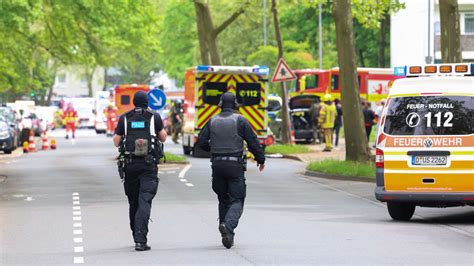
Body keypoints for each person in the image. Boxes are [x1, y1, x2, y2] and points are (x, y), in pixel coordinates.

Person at [196, 92, 265, 249]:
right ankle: (228, 225)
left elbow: (201, 142)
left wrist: (212, 149)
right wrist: (260, 159)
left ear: (220, 104)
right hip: (235, 166)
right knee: (237, 199)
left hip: (217, 165)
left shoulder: (212, 120)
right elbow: (253, 142)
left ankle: (227, 233)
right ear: (235, 105)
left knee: (223, 199)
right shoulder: (240, 120)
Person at [113, 91, 167, 251]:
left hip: (130, 165)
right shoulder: (154, 116)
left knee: (134, 201)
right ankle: (140, 239)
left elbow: (116, 142)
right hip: (148, 165)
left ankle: (135, 234)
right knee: (145, 200)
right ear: (146, 102)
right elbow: (163, 137)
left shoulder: (124, 117)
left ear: (134, 102)